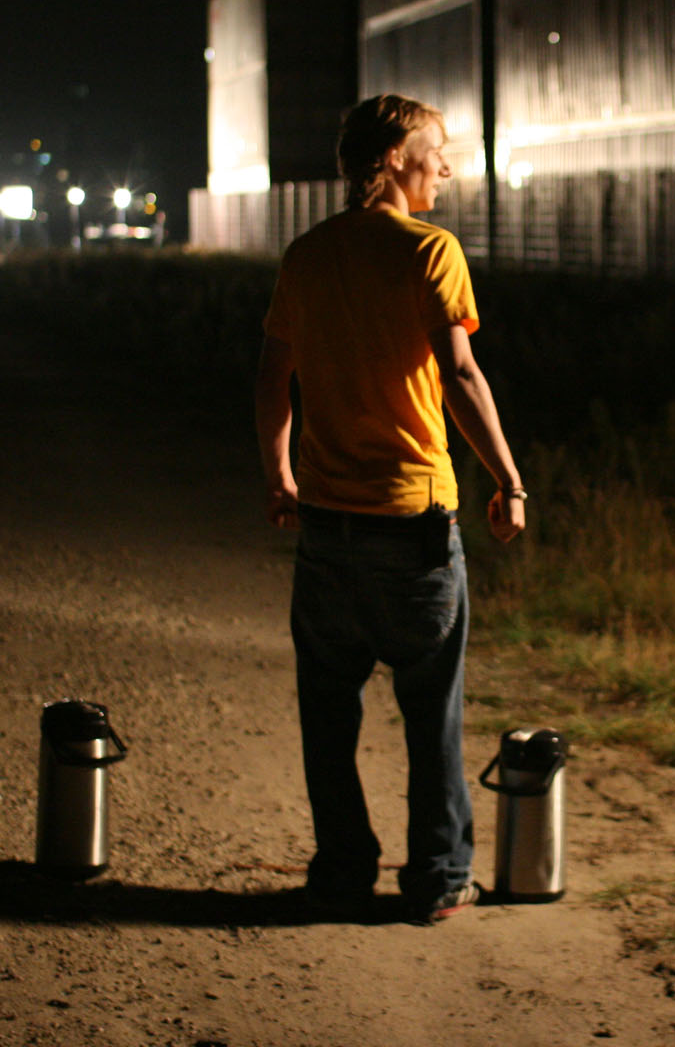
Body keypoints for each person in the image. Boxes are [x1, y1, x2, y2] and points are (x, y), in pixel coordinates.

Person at [254, 93, 527, 926]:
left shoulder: (306, 255)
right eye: (437, 151)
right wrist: (510, 481)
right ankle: (438, 878)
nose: (446, 167)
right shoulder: (431, 251)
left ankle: (341, 870)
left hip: (328, 530)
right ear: (397, 159)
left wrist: (279, 475)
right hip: (414, 530)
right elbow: (462, 378)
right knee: (431, 717)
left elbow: (273, 377)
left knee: (328, 721)